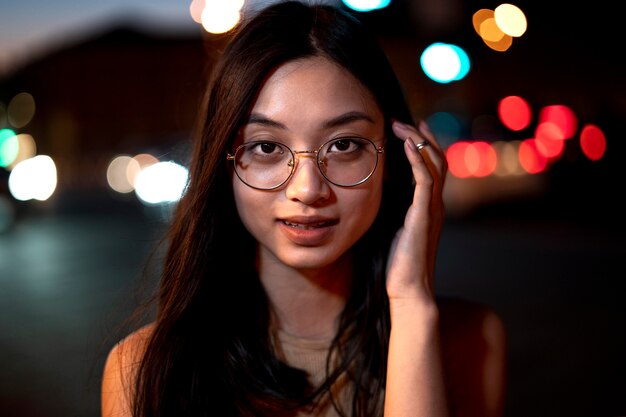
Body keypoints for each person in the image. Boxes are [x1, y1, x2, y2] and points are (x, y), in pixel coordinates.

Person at [101, 1, 507, 416]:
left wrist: (411, 306)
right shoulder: (145, 369)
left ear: (395, 158)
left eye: (344, 145)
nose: (308, 189)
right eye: (266, 147)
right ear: (222, 164)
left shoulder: (467, 341)